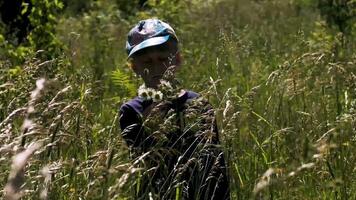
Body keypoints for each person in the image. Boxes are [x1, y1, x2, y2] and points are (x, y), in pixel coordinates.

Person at [119, 18, 230, 200]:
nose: (156, 67)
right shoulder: (132, 111)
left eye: (163, 59)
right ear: (134, 67)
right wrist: (151, 124)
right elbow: (144, 164)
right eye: (147, 62)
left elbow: (217, 165)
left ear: (177, 59)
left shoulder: (199, 103)